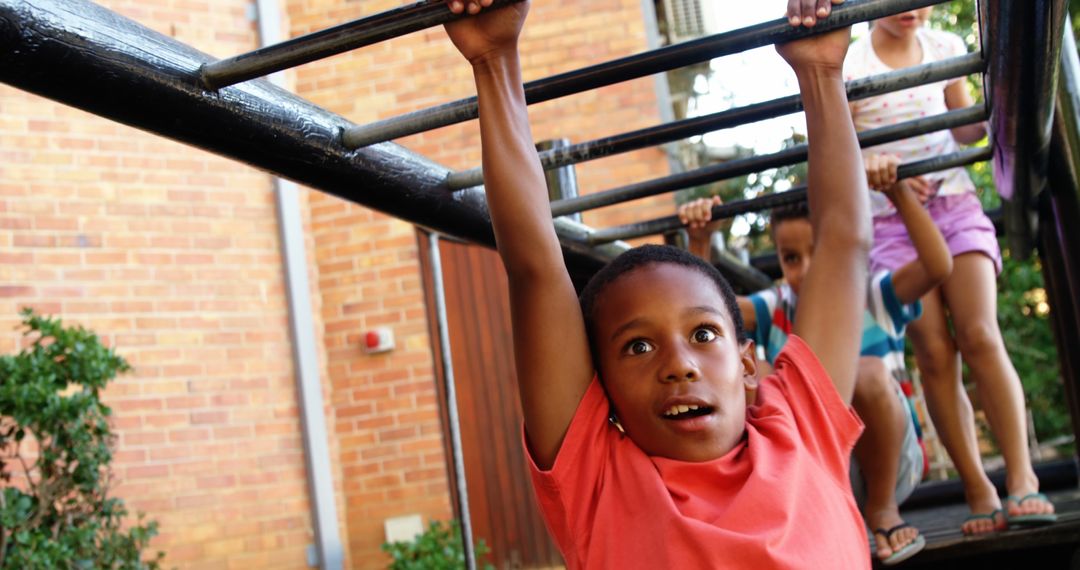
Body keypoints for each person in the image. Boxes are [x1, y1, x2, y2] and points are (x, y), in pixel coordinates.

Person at [445, 0, 875, 566]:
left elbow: (843, 245)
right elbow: (533, 267)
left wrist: (821, 72)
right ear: (603, 393)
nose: (678, 364)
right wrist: (494, 59)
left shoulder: (799, 426)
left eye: (703, 334)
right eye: (638, 347)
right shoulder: (598, 479)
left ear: (748, 365)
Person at [678, 152, 951, 565]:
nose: (805, 270)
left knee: (866, 370)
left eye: (817, 253)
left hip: (888, 466)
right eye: (790, 258)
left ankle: (881, 510)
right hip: (813, 474)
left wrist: (896, 191)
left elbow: (936, 265)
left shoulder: (872, 294)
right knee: (755, 373)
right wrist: (702, 239)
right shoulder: (777, 304)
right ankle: (810, 510)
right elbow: (701, 310)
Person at [844, 7, 1056, 533]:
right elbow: (839, 151)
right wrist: (869, 164)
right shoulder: (851, 64)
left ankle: (1022, 478)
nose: (913, 9)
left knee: (981, 333)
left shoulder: (942, 48)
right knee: (934, 354)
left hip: (952, 202)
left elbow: (966, 133)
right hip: (891, 221)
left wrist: (992, 79)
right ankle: (977, 485)